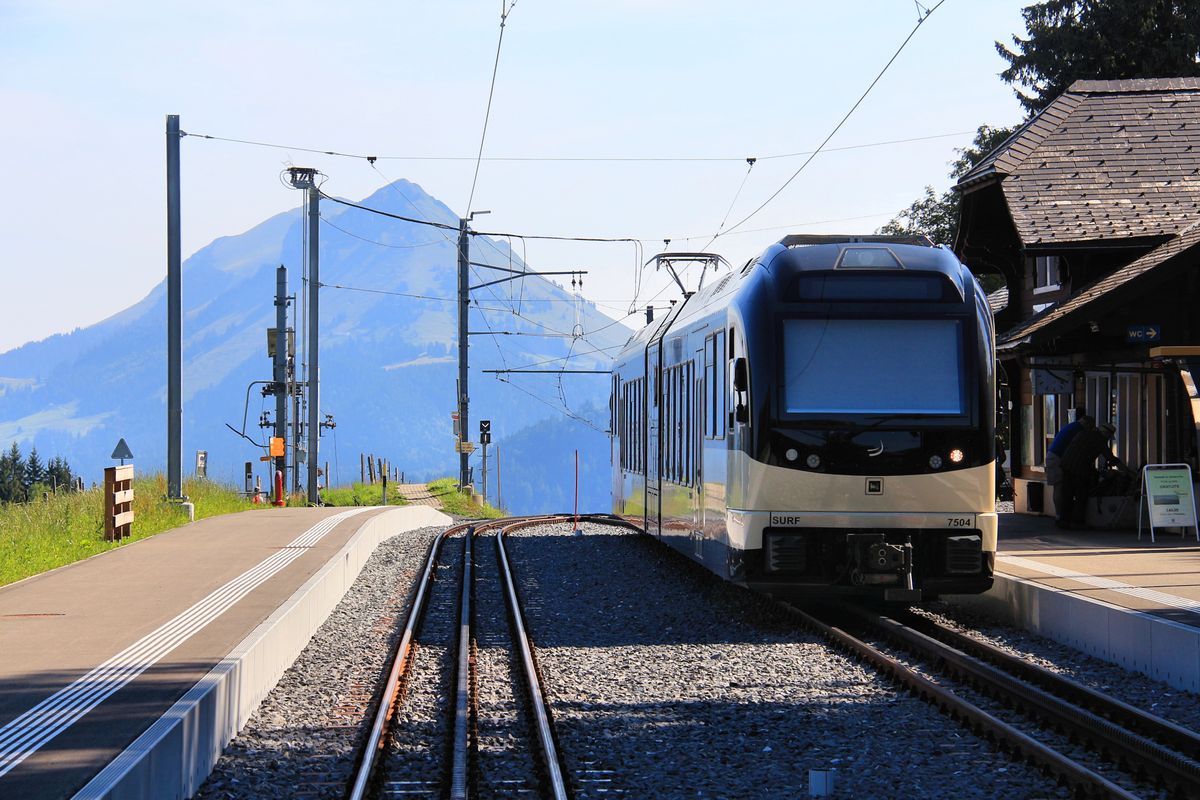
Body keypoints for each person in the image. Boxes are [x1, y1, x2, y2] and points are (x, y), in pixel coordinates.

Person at [1059, 421, 1120, 529]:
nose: (1108, 438)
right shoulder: (1100, 441)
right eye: (1109, 436)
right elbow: (1111, 458)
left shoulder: (1083, 433)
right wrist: (1125, 470)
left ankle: (1063, 520)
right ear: (1106, 434)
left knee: (1066, 494)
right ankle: (1077, 522)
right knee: (1081, 495)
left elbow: (1080, 450)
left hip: (1066, 465)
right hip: (1079, 469)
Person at [1046, 409, 1091, 525]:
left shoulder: (1072, 426)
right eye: (1090, 427)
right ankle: (1059, 515)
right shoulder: (1079, 430)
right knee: (1059, 486)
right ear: (1086, 424)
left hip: (1053, 456)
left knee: (1059, 486)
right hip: (1057, 458)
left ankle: (1060, 515)